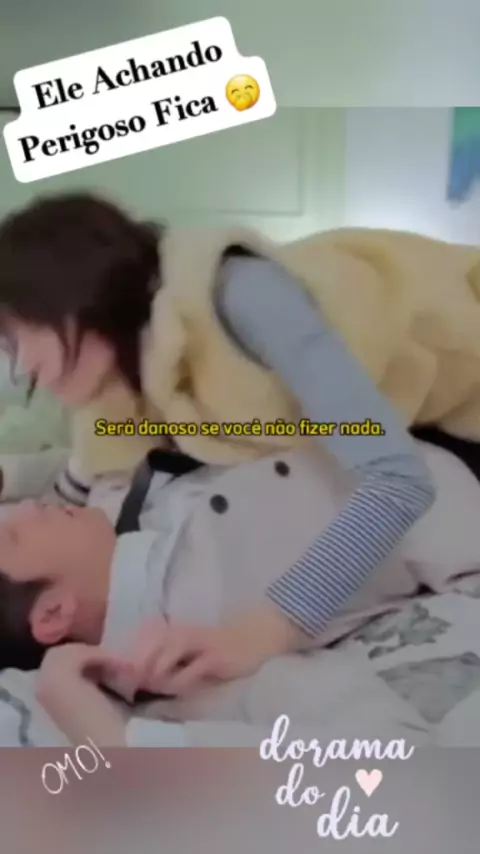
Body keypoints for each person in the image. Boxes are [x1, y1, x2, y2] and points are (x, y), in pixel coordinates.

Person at [2, 190, 473, 688]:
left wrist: (266, 630)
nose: (22, 368)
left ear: (68, 294)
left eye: (15, 338)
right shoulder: (134, 371)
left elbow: (398, 481)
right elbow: (97, 463)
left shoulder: (243, 296)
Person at [0, 439, 462, 746]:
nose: (28, 508)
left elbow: (97, 440)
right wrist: (113, 742)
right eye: (14, 537)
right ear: (53, 614)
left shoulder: (115, 506)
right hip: (431, 474)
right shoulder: (201, 667)